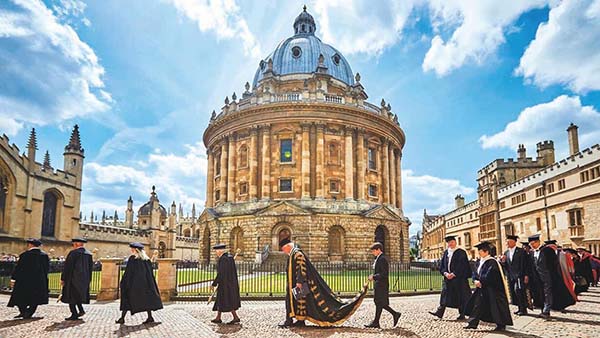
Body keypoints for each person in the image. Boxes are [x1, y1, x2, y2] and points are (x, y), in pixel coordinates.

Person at [278, 238, 368, 328]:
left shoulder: (297, 254)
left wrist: (299, 282)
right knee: (298, 301)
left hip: (300, 284)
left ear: (288, 246)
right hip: (294, 284)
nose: (283, 251)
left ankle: (292, 320)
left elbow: (301, 269)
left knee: (300, 301)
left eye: (283, 249)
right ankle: (298, 320)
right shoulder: (294, 254)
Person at [464, 241, 512, 331]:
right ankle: (472, 323)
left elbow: (490, 275)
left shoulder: (492, 262)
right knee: (477, 305)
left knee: (495, 307)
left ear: (486, 252)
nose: (479, 252)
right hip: (481, 288)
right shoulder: (479, 261)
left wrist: (480, 281)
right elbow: (475, 273)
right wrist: (475, 280)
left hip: (492, 290)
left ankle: (501, 324)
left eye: (480, 251)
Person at [528, 236, 575, 319]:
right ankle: (544, 310)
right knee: (541, 294)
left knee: (547, 293)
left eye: (533, 244)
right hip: (538, 277)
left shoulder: (547, 250)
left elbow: (553, 264)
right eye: (530, 244)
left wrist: (552, 275)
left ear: (538, 242)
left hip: (548, 276)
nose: (532, 246)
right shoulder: (532, 253)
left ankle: (546, 311)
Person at [115, 242, 163, 324]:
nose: (131, 250)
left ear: (136, 250)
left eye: (132, 249)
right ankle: (150, 317)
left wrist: (124, 282)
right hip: (145, 285)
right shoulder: (147, 260)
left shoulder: (133, 259)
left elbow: (129, 273)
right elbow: (150, 274)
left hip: (133, 285)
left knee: (127, 299)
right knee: (147, 300)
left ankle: (122, 318)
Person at [429, 235, 472, 320]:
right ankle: (439, 312)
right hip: (447, 278)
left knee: (461, 295)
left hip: (459, 279)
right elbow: (442, 265)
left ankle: (462, 314)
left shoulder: (461, 252)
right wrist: (445, 273)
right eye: (449, 242)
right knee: (444, 294)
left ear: (455, 242)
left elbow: (462, 266)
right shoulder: (446, 252)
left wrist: (454, 274)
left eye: (452, 242)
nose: (450, 244)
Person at [7, 238, 49, 319]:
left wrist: (13, 278)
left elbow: (18, 268)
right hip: (39, 281)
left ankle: (23, 312)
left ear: (30, 245)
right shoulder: (44, 255)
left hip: (24, 280)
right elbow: (47, 269)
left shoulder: (25, 255)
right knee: (35, 298)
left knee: (20, 297)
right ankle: (29, 312)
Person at [365, 242, 401, 328]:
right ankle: (391, 316)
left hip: (382, 285)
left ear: (378, 250)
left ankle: (378, 321)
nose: (372, 253)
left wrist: (373, 277)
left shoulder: (382, 259)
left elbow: (384, 274)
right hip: (379, 284)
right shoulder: (379, 258)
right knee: (380, 303)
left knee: (379, 302)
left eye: (373, 251)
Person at [61, 237, 93, 321]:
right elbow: (90, 268)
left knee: (71, 296)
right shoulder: (88, 254)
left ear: (76, 244)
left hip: (73, 278)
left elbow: (67, 267)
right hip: (84, 280)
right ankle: (81, 310)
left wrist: (63, 278)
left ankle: (74, 314)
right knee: (78, 296)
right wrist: (89, 279)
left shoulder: (73, 253)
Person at [210, 244, 241, 325]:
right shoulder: (229, 257)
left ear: (220, 251)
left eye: (216, 251)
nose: (216, 253)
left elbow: (221, 273)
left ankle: (235, 317)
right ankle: (218, 317)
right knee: (221, 300)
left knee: (227, 300)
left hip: (225, 284)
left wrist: (214, 283)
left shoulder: (223, 259)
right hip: (230, 283)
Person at [500, 235, 529, 316]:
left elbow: (525, 264)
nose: (507, 243)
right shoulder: (506, 252)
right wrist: (503, 261)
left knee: (519, 291)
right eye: (507, 242)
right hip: (511, 275)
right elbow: (506, 266)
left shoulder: (521, 251)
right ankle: (519, 308)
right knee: (514, 293)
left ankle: (523, 309)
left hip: (520, 275)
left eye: (509, 242)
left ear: (514, 242)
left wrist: (526, 275)